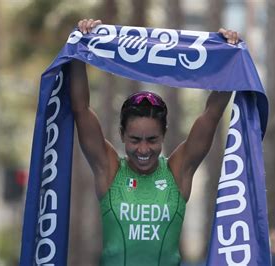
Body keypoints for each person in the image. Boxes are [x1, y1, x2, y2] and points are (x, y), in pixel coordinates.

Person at [70, 19, 238, 266]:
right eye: (135, 140)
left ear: (164, 135)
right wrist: (77, 47)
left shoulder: (178, 172)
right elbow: (81, 109)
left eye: (152, 140)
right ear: (122, 135)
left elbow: (211, 115)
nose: (143, 149)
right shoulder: (109, 170)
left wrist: (228, 54)